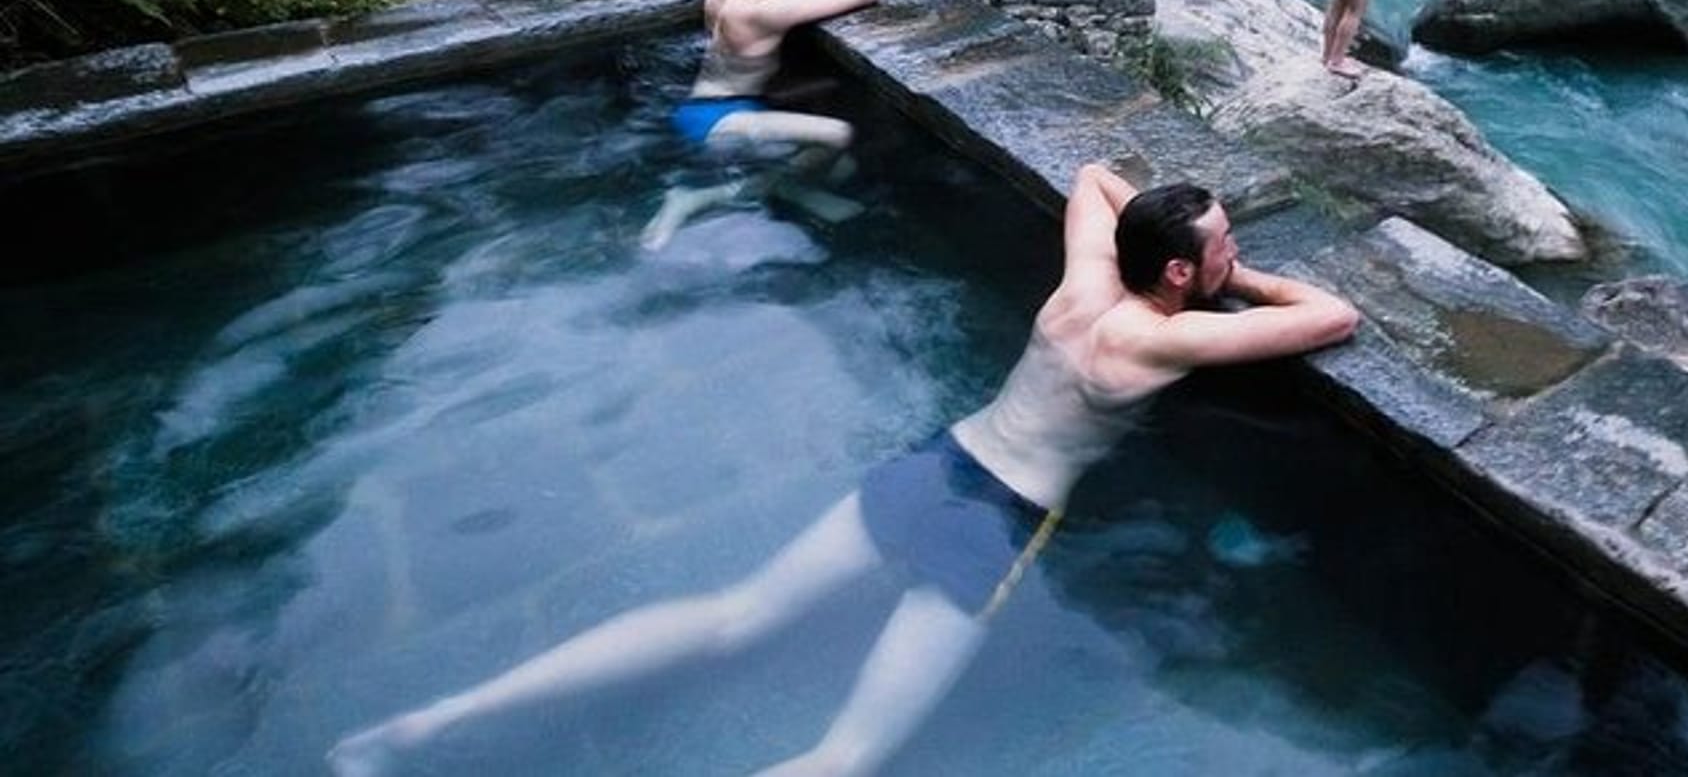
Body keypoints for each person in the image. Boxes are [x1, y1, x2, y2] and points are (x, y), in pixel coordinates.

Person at [328, 165, 1359, 777]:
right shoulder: (1163, 336)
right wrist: (1241, 278)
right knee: (846, 758)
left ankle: (430, 722)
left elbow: (1092, 174)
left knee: (735, 612)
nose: (1234, 251)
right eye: (1222, 243)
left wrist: (1165, 233)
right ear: (1179, 271)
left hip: (934, 465)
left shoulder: (1083, 283)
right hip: (992, 524)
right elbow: (1333, 315)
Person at [641, 0, 882, 249]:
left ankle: (784, 186)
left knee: (843, 166)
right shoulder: (764, 11)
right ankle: (698, 197)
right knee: (837, 135)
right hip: (718, 119)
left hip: (713, 105)